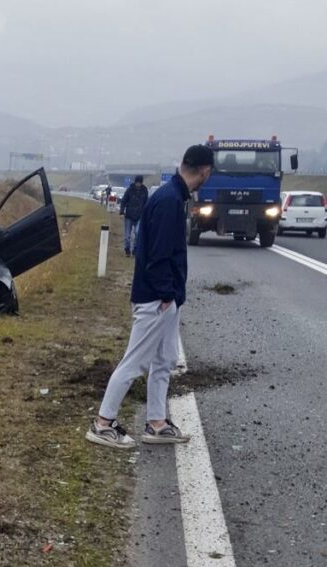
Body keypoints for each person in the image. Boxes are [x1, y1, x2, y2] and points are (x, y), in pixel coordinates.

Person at [85, 144, 214, 449]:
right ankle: (103, 424)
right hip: (157, 299)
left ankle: (156, 423)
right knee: (135, 361)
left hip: (164, 299)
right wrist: (167, 294)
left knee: (164, 360)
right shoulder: (170, 201)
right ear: (205, 171)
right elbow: (158, 255)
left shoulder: (170, 196)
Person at [119, 175, 149, 257]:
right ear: (135, 182)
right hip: (129, 216)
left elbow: (147, 203)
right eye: (137, 182)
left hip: (140, 216)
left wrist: (147, 214)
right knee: (127, 235)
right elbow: (123, 201)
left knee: (138, 233)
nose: (138, 184)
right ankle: (127, 249)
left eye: (139, 183)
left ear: (141, 183)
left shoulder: (144, 191)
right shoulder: (130, 190)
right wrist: (121, 212)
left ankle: (135, 249)